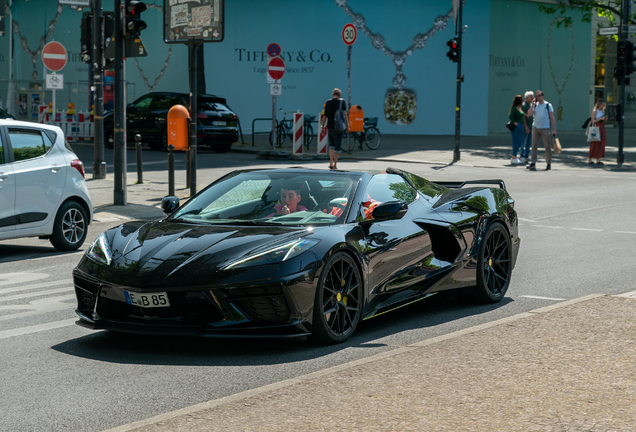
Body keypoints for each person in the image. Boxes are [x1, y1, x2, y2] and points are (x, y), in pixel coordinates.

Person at [526, 90, 557, 171]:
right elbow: (529, 114)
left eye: (539, 95)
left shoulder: (548, 105)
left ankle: (548, 163)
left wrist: (554, 130)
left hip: (545, 128)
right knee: (534, 146)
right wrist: (532, 105)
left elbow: (552, 118)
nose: (538, 97)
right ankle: (533, 163)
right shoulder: (535, 105)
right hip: (535, 127)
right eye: (537, 96)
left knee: (547, 146)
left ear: (543, 96)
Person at [320, 88, 348, 170]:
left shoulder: (328, 102)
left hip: (330, 126)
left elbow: (325, 116)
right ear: (340, 95)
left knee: (331, 144)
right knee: (337, 145)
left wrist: (322, 127)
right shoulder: (342, 102)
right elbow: (345, 114)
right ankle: (335, 164)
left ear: (333, 94)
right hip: (339, 127)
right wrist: (347, 126)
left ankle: (331, 162)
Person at [588, 99, 607, 165]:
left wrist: (604, 119)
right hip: (596, 127)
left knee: (601, 142)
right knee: (594, 142)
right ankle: (590, 159)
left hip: (602, 127)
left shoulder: (602, 111)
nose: (602, 106)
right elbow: (592, 121)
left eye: (604, 105)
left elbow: (603, 121)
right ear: (598, 104)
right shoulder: (595, 111)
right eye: (602, 105)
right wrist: (600, 119)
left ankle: (598, 159)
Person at [508, 95, 525, 165]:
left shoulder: (519, 108)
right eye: (522, 100)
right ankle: (513, 157)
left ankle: (515, 156)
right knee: (516, 142)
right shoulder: (514, 108)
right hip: (517, 127)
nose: (523, 101)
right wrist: (516, 124)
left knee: (519, 142)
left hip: (521, 126)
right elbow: (511, 116)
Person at [520, 91, 534, 163]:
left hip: (531, 126)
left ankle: (526, 156)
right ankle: (522, 156)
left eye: (532, 96)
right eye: (531, 97)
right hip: (526, 126)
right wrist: (526, 126)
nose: (532, 98)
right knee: (523, 142)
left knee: (529, 142)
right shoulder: (524, 105)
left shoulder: (531, 104)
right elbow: (523, 117)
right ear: (527, 97)